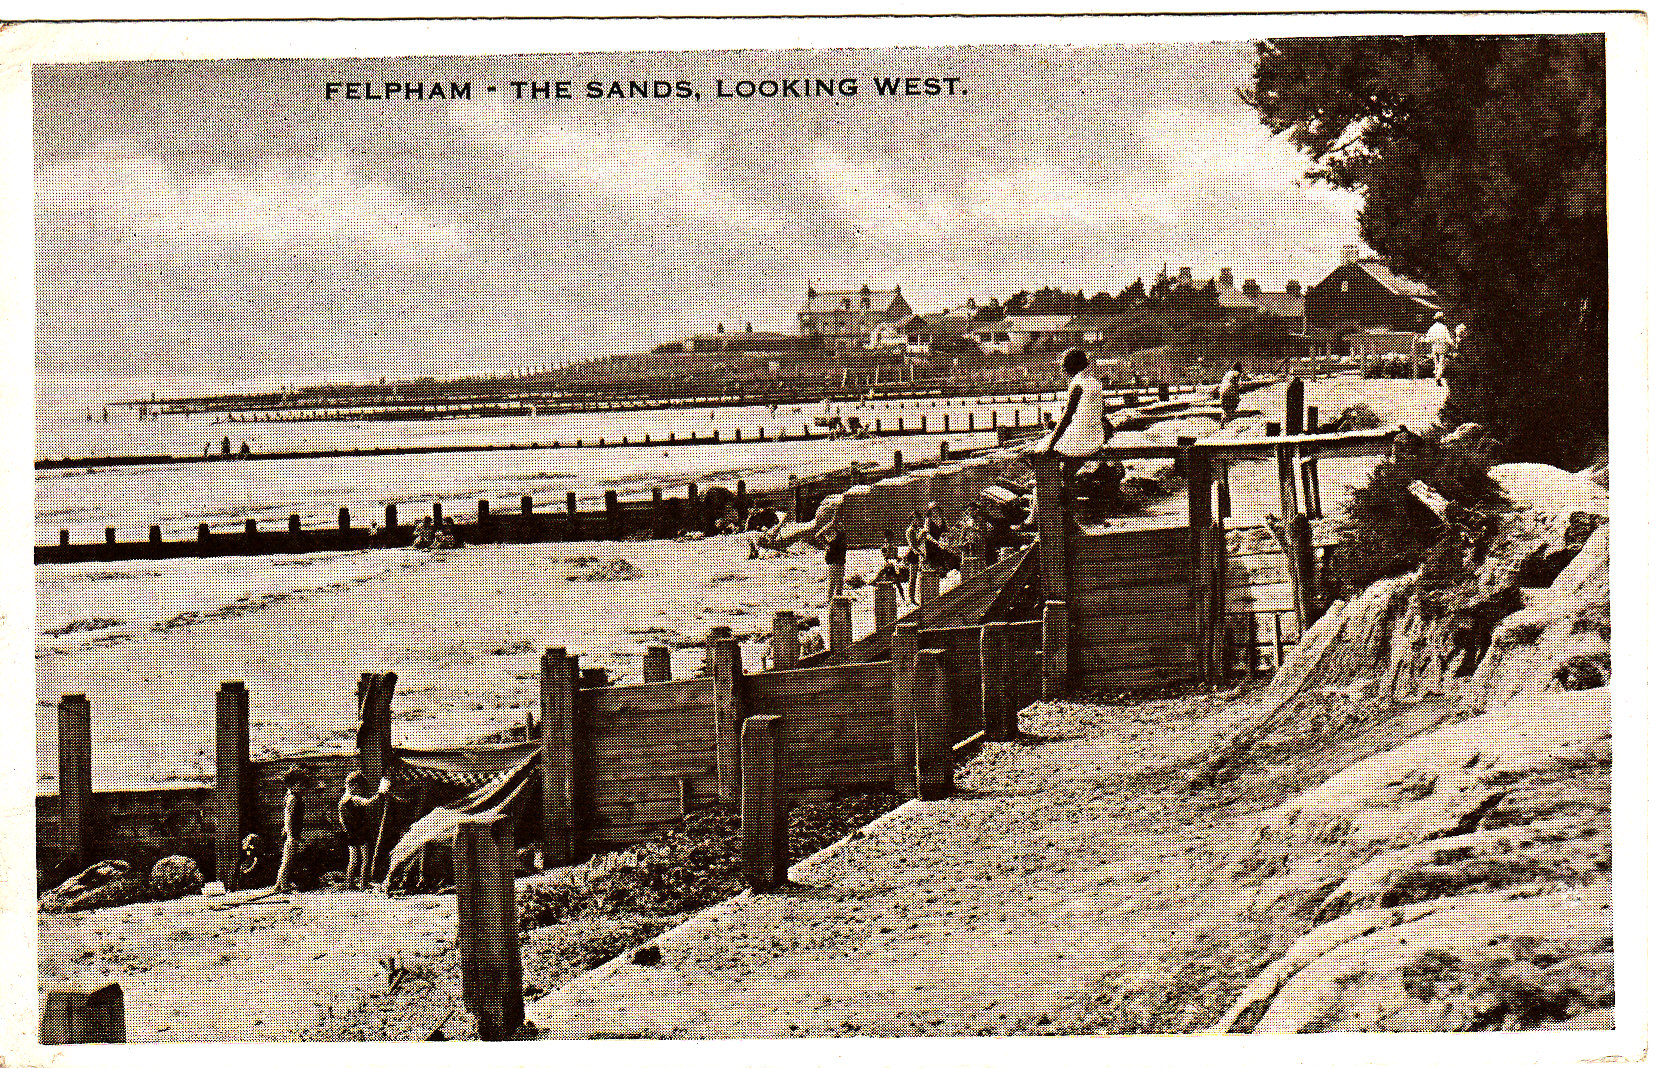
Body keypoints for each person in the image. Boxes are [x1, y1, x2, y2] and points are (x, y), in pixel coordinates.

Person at [1040, 347, 1114, 478]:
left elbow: (1066, 418)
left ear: (1069, 367)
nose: (1062, 370)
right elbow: (1101, 414)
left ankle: (1061, 486)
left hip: (1080, 440)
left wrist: (1051, 444)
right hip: (1096, 437)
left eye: (1063, 366)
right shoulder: (1095, 383)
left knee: (1043, 449)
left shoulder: (1077, 384)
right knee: (1068, 465)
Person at [338, 771, 391, 891]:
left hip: (349, 832)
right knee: (366, 858)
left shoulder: (343, 800)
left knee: (353, 860)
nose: (361, 790)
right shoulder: (354, 798)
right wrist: (381, 792)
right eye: (360, 787)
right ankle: (363, 883)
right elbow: (370, 803)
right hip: (360, 832)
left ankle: (349, 883)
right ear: (354, 785)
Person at [275, 766, 314, 892]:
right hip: (292, 834)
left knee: (288, 859)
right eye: (300, 785)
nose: (302, 788)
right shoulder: (292, 798)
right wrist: (291, 834)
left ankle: (280, 883)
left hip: (293, 832)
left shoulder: (292, 796)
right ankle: (282, 884)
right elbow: (289, 817)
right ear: (293, 784)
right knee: (288, 860)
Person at [921, 501, 959, 577]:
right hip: (932, 545)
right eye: (933, 510)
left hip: (942, 544)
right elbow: (927, 535)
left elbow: (948, 531)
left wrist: (949, 536)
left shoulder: (943, 519)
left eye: (936, 509)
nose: (935, 511)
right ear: (930, 511)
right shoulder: (928, 520)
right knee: (936, 566)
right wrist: (936, 542)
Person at [874, 528, 907, 601]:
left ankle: (902, 598)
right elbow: (886, 557)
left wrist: (899, 558)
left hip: (891, 567)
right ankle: (902, 598)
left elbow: (893, 557)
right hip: (888, 567)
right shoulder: (887, 547)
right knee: (895, 584)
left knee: (895, 584)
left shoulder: (891, 547)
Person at [820, 519, 847, 601]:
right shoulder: (833, 533)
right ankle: (831, 599)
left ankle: (837, 599)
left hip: (840, 560)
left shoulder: (841, 535)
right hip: (834, 560)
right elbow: (819, 535)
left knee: (839, 582)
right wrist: (826, 546)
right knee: (834, 581)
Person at [1425, 311, 1454, 384]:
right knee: (1441, 362)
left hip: (1434, 345)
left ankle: (1436, 373)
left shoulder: (1432, 327)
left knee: (1436, 362)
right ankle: (1438, 376)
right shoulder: (1444, 327)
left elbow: (1428, 338)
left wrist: (1425, 341)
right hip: (1442, 346)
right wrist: (1452, 344)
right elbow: (1447, 337)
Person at [904, 510, 925, 604]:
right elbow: (913, 546)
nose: (917, 521)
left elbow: (919, 543)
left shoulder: (918, 529)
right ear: (912, 520)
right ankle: (911, 598)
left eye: (918, 519)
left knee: (920, 577)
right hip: (913, 555)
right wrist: (919, 553)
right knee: (913, 578)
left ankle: (920, 596)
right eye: (916, 519)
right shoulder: (910, 531)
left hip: (919, 554)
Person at [1217, 362, 1245, 426]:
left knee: (1226, 409)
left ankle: (1223, 422)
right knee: (1234, 403)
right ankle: (1229, 421)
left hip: (1222, 392)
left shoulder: (1228, 373)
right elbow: (1237, 385)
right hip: (1229, 392)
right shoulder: (1236, 373)